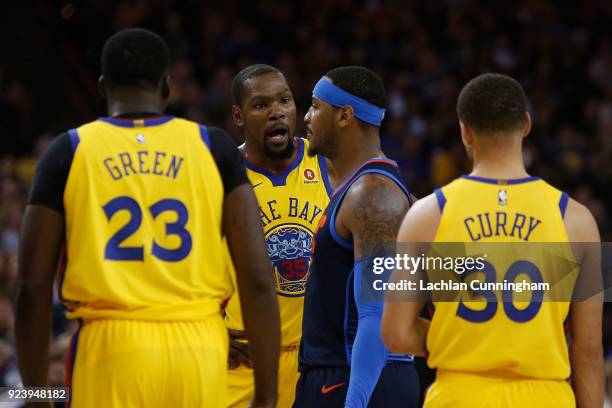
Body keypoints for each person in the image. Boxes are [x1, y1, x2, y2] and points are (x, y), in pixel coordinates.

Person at [15, 28, 280, 407]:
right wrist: (267, 397)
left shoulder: (68, 151)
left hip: (109, 349)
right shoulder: (213, 147)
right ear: (167, 86)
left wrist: (39, 396)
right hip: (199, 349)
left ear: (103, 87)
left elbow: (31, 289)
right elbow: (257, 280)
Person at [382, 73, 604, 407]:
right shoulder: (576, 219)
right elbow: (588, 351)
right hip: (545, 395)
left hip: (460, 394)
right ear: (527, 125)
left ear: (464, 132)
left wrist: (461, 341)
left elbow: (396, 334)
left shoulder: (427, 215)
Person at [295, 66, 420, 407]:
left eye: (315, 107)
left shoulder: (374, 194)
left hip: (356, 380)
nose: (306, 117)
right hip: (338, 376)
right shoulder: (361, 188)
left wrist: (356, 401)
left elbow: (376, 312)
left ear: (345, 116)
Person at [224, 64, 331, 407]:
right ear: (238, 116)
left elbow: (407, 219)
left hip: (317, 361)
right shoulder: (220, 175)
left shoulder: (329, 162)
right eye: (261, 105)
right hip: (245, 363)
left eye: (284, 100)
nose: (276, 112)